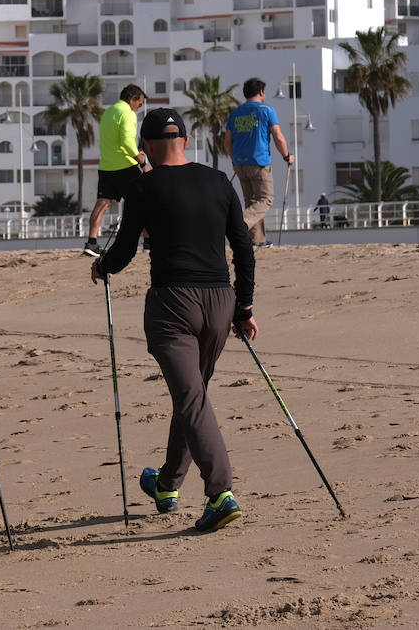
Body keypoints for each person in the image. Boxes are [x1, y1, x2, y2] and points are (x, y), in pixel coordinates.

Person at [91, 108, 257, 534]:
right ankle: (166, 484)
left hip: (173, 304)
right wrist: (244, 308)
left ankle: (220, 493)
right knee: (192, 395)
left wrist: (102, 267)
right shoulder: (218, 181)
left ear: (145, 146)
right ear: (184, 140)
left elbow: (124, 250)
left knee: (191, 397)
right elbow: (243, 247)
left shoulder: (143, 186)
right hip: (220, 301)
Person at [222, 78, 292, 247]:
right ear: (261, 92)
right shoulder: (267, 110)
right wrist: (286, 156)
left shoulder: (236, 113)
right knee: (265, 199)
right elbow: (278, 136)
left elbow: (227, 141)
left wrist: (234, 160)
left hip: (240, 164)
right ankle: (240, 223)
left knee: (251, 202)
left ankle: (257, 240)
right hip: (259, 163)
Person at [84, 84, 147, 256]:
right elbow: (126, 141)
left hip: (106, 167)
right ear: (132, 99)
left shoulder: (108, 112)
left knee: (102, 204)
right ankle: (149, 243)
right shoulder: (128, 113)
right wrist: (142, 161)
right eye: (139, 103)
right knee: (144, 202)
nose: (139, 107)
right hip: (126, 167)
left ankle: (91, 243)